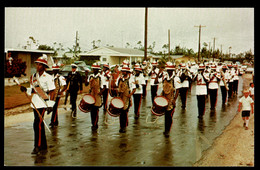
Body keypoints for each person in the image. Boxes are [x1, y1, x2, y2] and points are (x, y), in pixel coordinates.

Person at [20, 54, 55, 154]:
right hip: (35, 102)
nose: (37, 66)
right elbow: (33, 90)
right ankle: (43, 145)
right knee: (38, 124)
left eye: (40, 65)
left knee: (37, 124)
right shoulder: (33, 77)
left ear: (44, 67)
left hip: (43, 103)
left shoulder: (48, 77)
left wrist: (50, 105)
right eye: (37, 64)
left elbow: (52, 91)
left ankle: (37, 146)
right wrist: (25, 89)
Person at [155, 62, 181, 137]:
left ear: (172, 70)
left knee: (169, 116)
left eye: (170, 70)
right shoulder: (164, 77)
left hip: (171, 99)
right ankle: (166, 130)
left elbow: (178, 90)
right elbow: (155, 81)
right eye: (168, 70)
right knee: (166, 115)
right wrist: (158, 74)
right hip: (164, 98)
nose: (168, 71)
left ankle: (167, 130)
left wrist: (174, 100)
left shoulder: (175, 78)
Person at [116, 65, 136, 133]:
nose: (123, 72)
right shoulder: (120, 78)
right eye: (122, 71)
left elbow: (134, 88)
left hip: (126, 98)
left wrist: (130, 95)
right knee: (120, 112)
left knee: (124, 112)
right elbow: (116, 86)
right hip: (120, 97)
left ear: (127, 72)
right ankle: (121, 126)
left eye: (124, 71)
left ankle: (124, 126)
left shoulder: (130, 79)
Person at [86, 63, 105, 131]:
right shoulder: (90, 76)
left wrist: (100, 93)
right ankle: (93, 123)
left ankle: (95, 124)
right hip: (91, 94)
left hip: (97, 95)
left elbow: (104, 87)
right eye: (93, 69)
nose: (94, 70)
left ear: (98, 70)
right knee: (91, 110)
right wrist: (86, 75)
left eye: (95, 69)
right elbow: (86, 84)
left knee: (96, 109)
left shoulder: (101, 77)